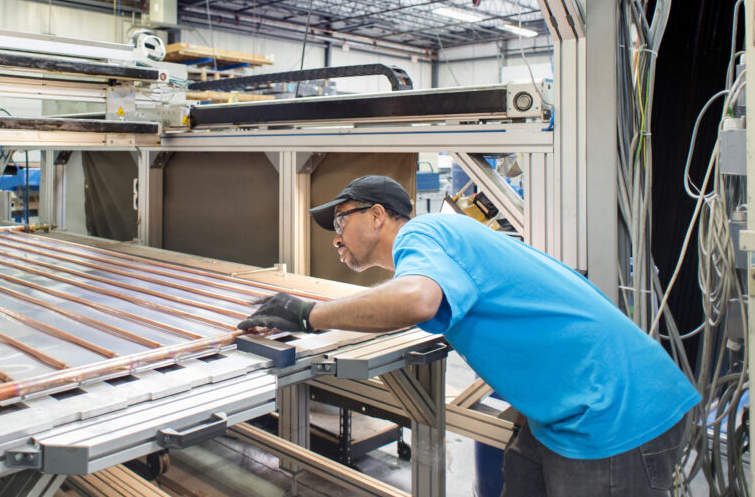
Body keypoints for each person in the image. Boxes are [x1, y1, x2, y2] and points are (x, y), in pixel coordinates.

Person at [240, 175, 699, 497]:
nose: (336, 239)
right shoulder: (441, 240)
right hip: (563, 414)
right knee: (520, 470)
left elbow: (419, 300)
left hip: (612, 415)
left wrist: (307, 314)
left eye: (341, 222)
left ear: (378, 215)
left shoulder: (423, 232)